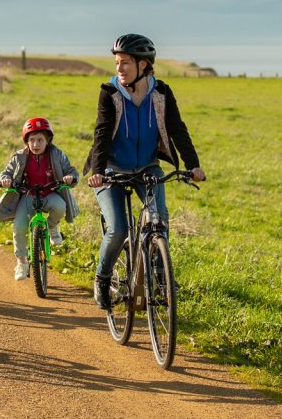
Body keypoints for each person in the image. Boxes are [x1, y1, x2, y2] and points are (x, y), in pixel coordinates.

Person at [85, 34, 206, 309]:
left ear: (143, 65)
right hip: (110, 169)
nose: (119, 68)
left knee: (159, 220)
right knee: (116, 230)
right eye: (117, 62)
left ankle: (161, 278)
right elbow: (101, 133)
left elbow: (177, 129)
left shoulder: (161, 92)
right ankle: (102, 279)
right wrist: (98, 171)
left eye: (125, 62)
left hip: (147, 167)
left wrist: (193, 165)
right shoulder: (110, 92)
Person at [0, 117, 80, 280]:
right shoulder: (19, 156)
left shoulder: (57, 154)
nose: (36, 144)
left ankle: (52, 227)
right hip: (28, 195)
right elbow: (6, 172)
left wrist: (70, 177)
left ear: (48, 141)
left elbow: (72, 171)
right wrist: (5, 179)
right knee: (19, 227)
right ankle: (21, 262)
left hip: (49, 192)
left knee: (60, 206)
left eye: (40, 140)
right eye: (32, 140)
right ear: (26, 141)